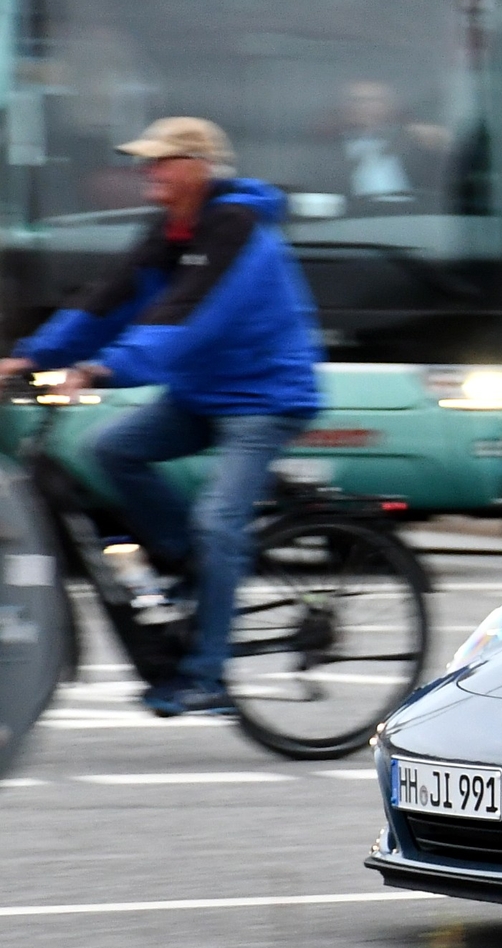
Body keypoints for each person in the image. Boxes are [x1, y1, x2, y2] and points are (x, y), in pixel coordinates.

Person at [0, 118, 325, 716]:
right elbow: (109, 299)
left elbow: (186, 315)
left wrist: (103, 370)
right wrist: (30, 355)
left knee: (216, 522)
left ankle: (207, 675)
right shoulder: (173, 231)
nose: (150, 171)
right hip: (202, 395)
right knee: (110, 450)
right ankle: (188, 566)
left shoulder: (237, 228)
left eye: (163, 161)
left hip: (266, 399)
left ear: (200, 167)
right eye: (147, 162)